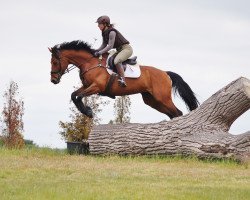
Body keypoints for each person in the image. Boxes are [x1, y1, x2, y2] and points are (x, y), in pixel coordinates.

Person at [94, 15, 133, 87]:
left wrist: (100, 52)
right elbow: (104, 45)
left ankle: (123, 80)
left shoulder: (112, 32)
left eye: (99, 24)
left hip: (126, 49)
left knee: (117, 61)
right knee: (108, 59)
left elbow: (110, 46)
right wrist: (95, 51)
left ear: (105, 24)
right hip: (119, 50)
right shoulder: (104, 32)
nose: (98, 26)